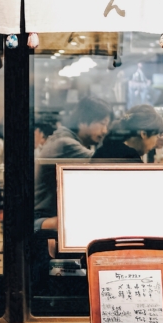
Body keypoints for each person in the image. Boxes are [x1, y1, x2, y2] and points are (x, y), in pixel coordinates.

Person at [34, 96, 112, 232]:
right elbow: (111, 163)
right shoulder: (65, 144)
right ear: (82, 121)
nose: (105, 131)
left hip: (50, 215)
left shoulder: (68, 140)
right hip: (41, 220)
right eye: (102, 123)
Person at [93, 105, 163, 162]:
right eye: (157, 136)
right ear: (143, 134)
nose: (156, 142)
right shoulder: (130, 158)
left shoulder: (107, 148)